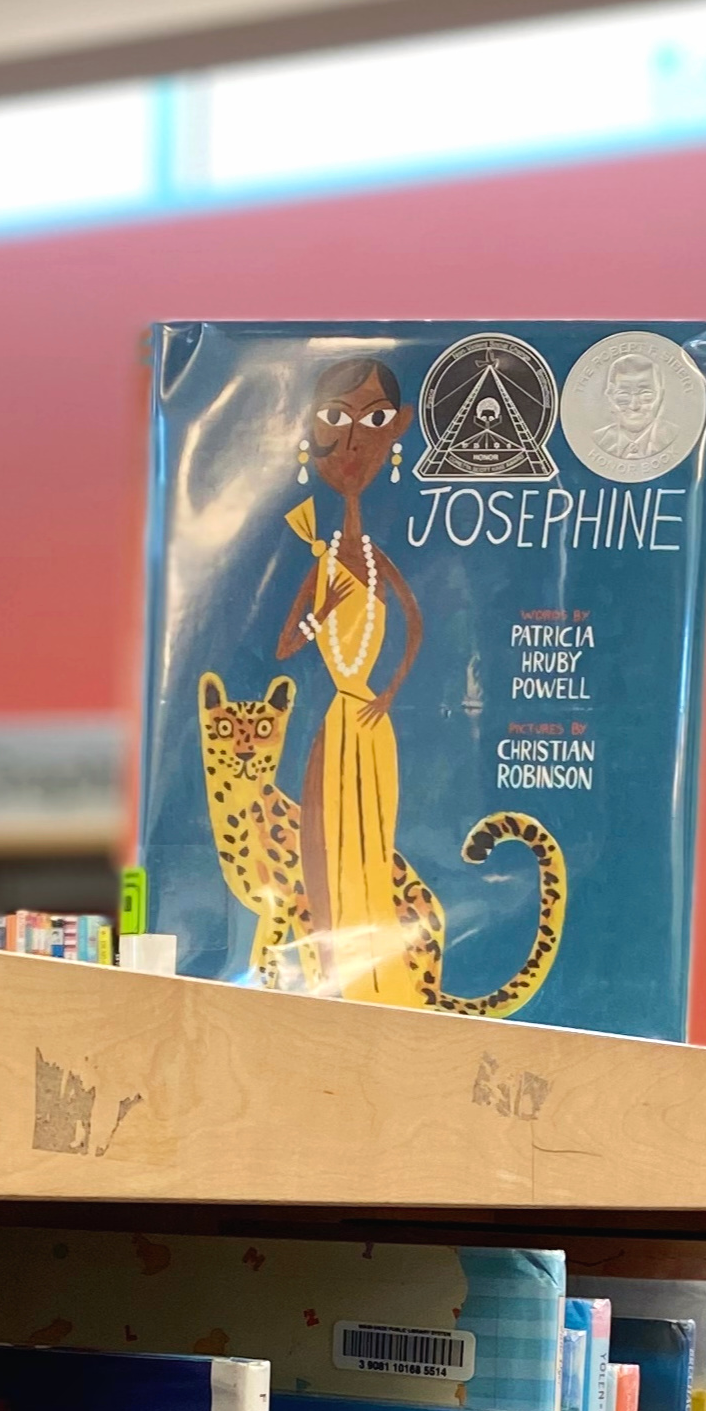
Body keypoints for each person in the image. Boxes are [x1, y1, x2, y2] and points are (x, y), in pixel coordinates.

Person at [275, 355, 423, 1003]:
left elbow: (414, 624)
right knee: (327, 843)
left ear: (398, 429)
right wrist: (323, 614)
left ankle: (380, 982)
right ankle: (336, 984)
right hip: (337, 725)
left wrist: (389, 692)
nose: (353, 444)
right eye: (335, 421)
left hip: (370, 723)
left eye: (375, 422)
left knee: (372, 844)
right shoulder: (323, 560)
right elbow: (285, 647)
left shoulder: (373, 556)